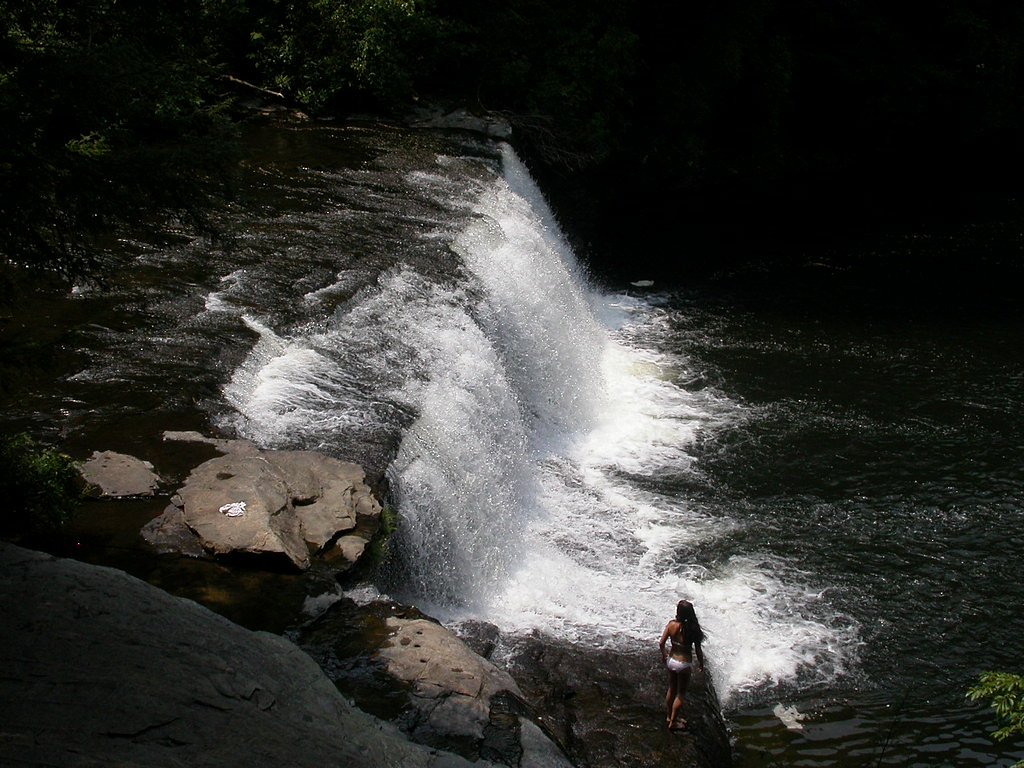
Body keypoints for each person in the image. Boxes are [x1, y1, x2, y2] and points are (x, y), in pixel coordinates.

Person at [659, 599, 705, 731]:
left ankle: (669, 716)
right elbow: (698, 650)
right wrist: (701, 664)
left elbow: (661, 643)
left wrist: (664, 655)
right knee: (681, 693)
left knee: (671, 688)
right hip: (684, 664)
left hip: (671, 660)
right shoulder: (693, 629)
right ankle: (673, 722)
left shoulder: (671, 625)